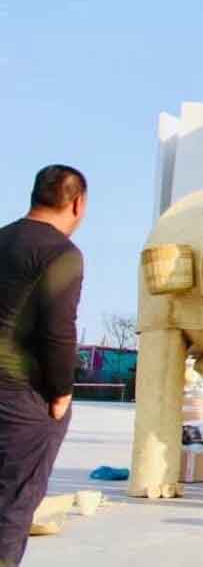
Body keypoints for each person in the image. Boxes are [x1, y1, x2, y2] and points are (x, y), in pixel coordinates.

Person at [0, 165, 87, 566]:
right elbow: (58, 331)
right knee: (12, 508)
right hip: (22, 399)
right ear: (76, 203)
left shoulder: (3, 238)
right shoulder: (61, 253)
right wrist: (62, 392)